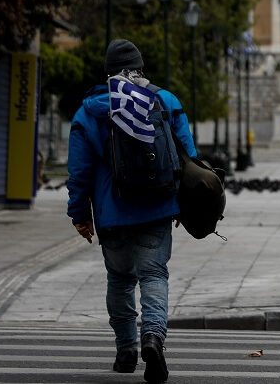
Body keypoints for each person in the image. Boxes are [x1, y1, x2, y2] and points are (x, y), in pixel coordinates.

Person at [67, 39, 197, 383]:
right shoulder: (165, 101)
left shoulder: (89, 111)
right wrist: (185, 203)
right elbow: (188, 158)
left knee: (120, 281)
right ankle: (153, 337)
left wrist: (79, 213)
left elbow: (79, 172)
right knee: (154, 275)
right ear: (140, 67)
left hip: (112, 215)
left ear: (108, 71)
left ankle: (126, 350)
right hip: (157, 207)